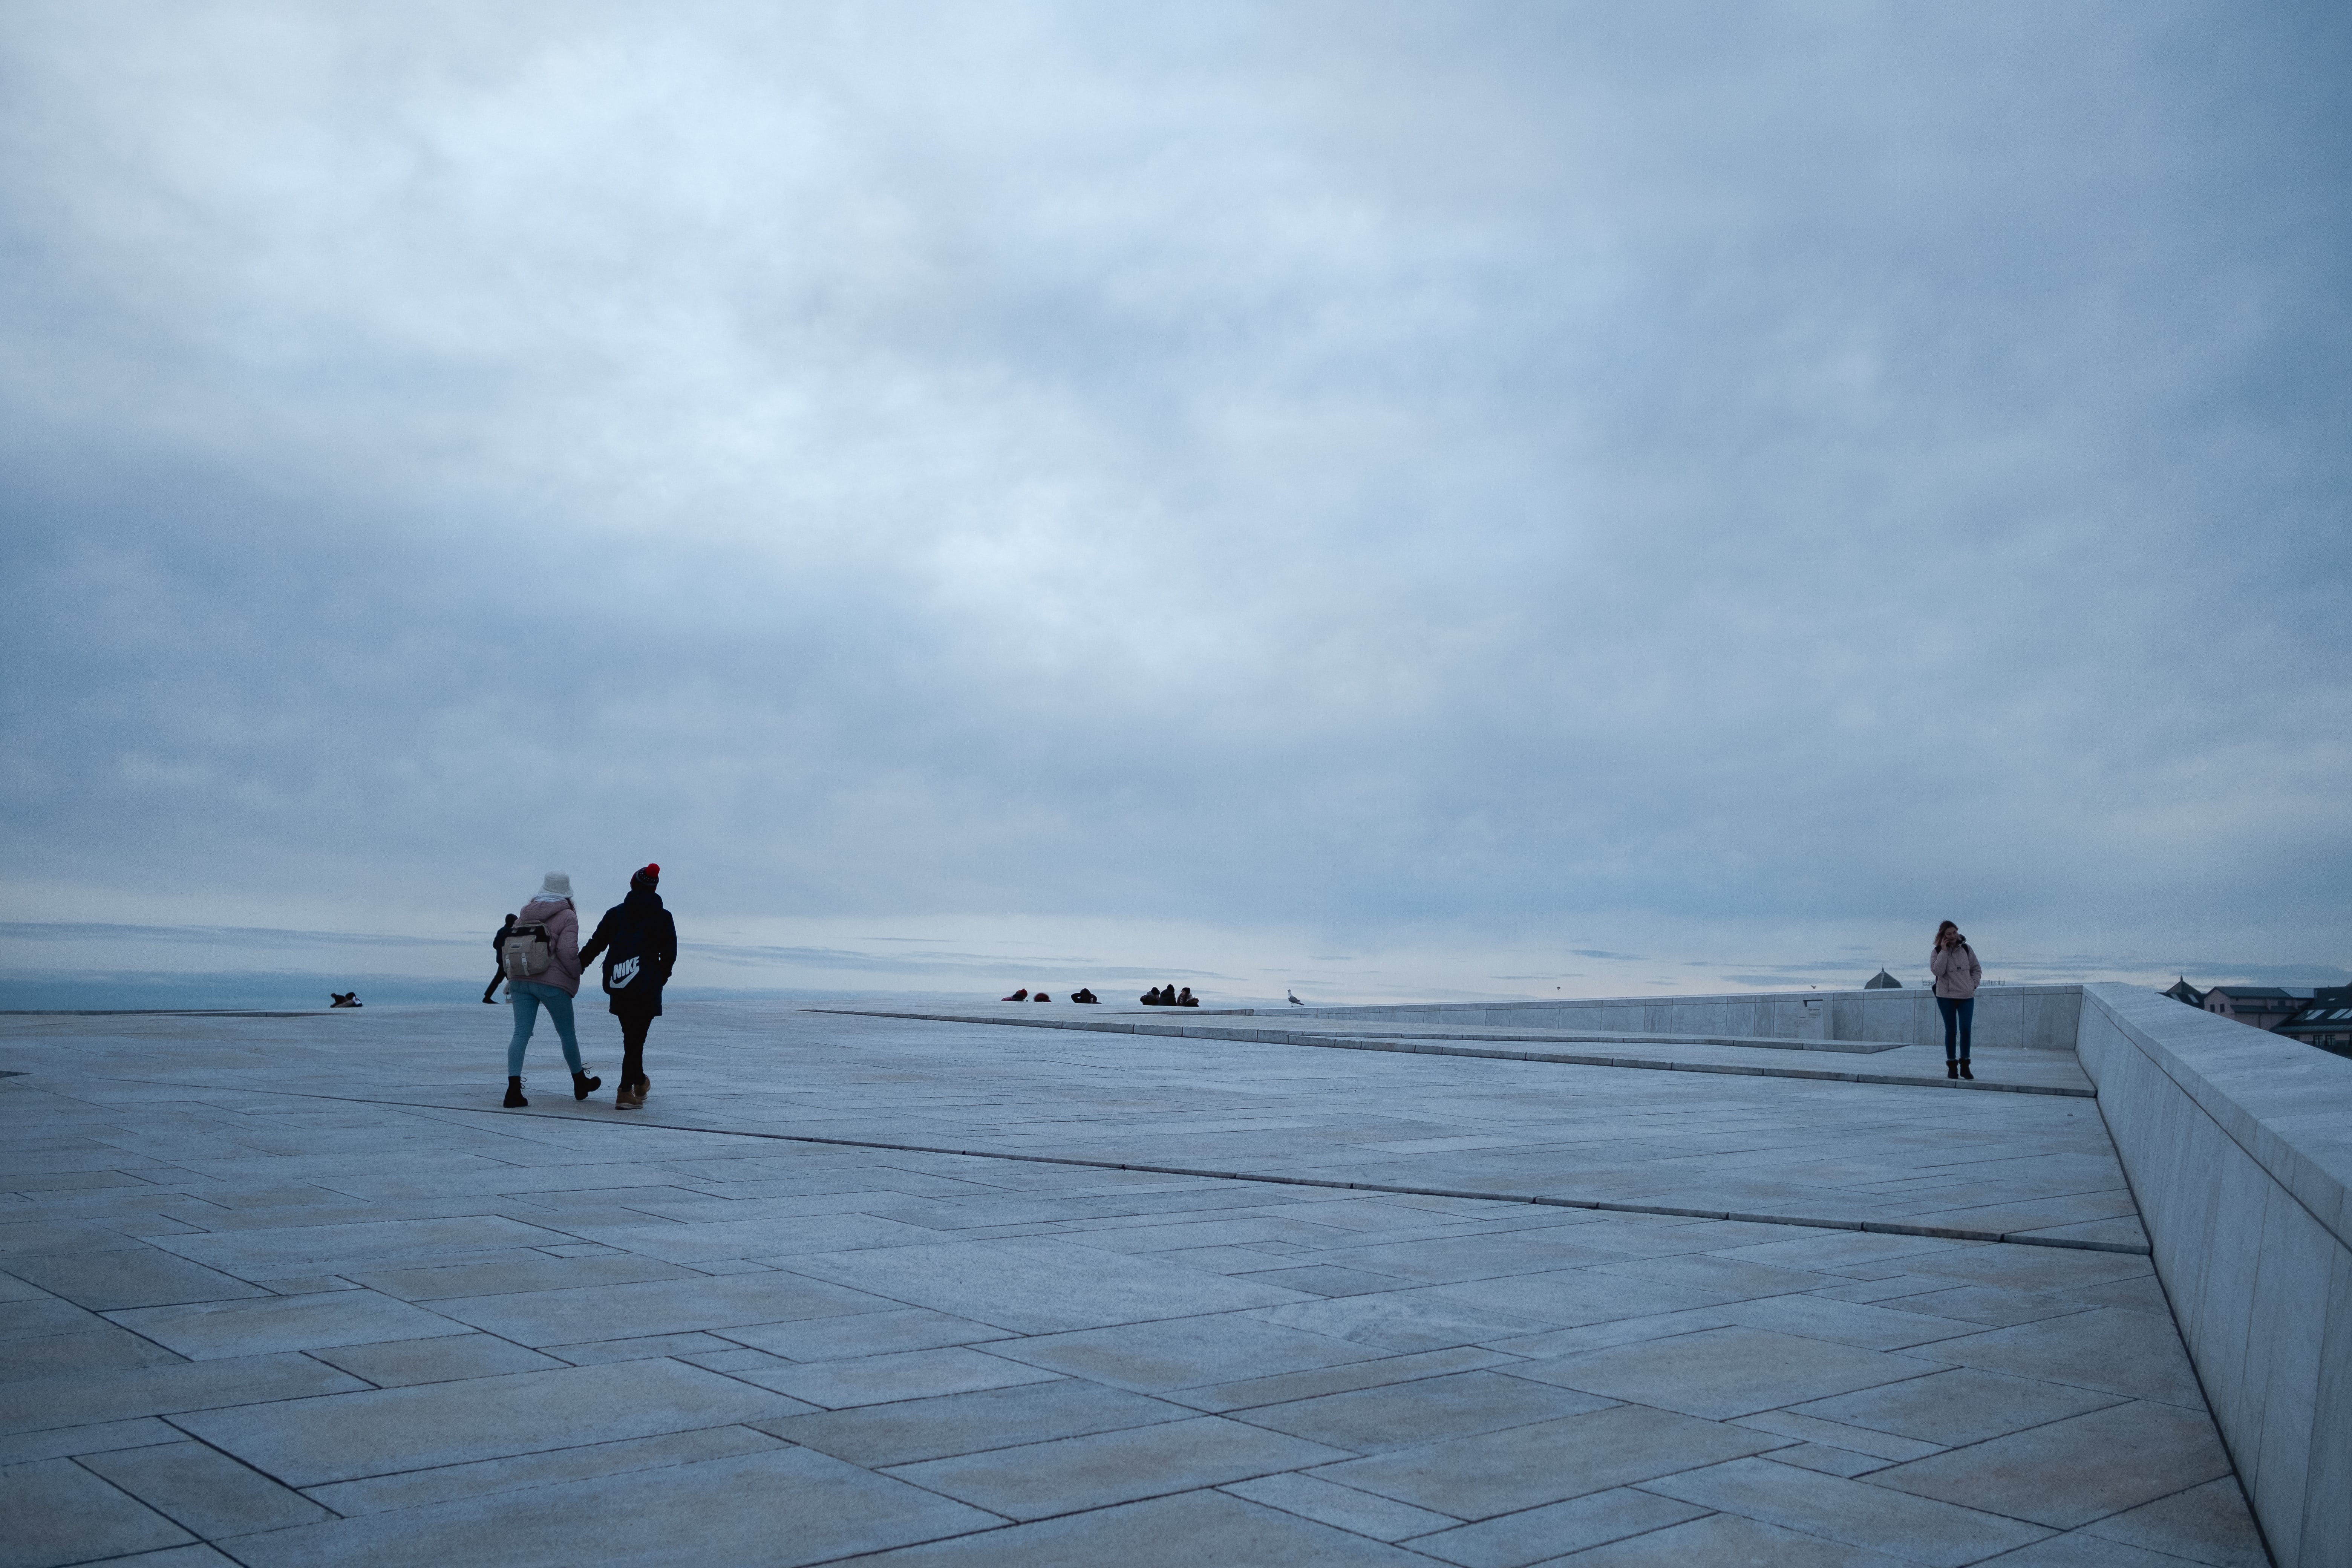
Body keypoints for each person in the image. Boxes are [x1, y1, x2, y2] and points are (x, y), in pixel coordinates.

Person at [579, 864, 676, 1110]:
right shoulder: (663, 917)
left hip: (620, 981)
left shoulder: (616, 914)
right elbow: (670, 954)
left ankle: (640, 1083)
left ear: (632, 885)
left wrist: (578, 965)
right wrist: (659, 978)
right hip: (647, 987)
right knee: (637, 1039)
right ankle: (625, 1090)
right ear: (654, 888)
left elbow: (596, 944)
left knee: (632, 1038)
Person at [504, 873, 600, 1107]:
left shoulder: (525, 913)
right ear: (567, 893)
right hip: (551, 983)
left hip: (520, 979)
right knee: (567, 1034)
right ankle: (580, 1083)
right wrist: (577, 971)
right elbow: (568, 952)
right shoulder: (567, 915)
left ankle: (513, 1091)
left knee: (521, 1034)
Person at [1931, 920, 1982, 1080]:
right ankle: (1952, 1067)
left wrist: (1972, 985)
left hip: (1966, 996)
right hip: (1946, 996)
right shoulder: (1937, 951)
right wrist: (1945, 952)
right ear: (1943, 936)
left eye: (1955, 933)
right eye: (1949, 934)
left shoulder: (1967, 949)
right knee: (1951, 1031)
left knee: (1966, 1030)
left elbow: (1976, 969)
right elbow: (1938, 971)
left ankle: (1965, 1066)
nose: (1953, 936)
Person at [484, 913, 516, 1003]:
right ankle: (518, 997)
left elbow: (495, 945)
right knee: (513, 979)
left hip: (501, 959)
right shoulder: (511, 932)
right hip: (508, 959)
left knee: (501, 979)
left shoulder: (501, 931)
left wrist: (500, 951)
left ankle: (487, 997)